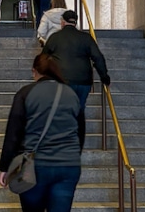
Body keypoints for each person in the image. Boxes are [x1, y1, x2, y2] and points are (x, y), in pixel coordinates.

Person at [0, 52, 81, 212]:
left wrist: (5, 167)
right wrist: (71, 157)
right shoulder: (72, 94)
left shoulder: (25, 94)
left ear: (36, 72)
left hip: (35, 167)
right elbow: (81, 131)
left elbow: (14, 132)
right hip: (68, 166)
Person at [42, 9, 110, 150]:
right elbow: (98, 57)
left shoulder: (55, 38)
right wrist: (104, 76)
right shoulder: (85, 38)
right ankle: (77, 144)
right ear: (75, 22)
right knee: (79, 110)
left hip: (62, 81)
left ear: (62, 22)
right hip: (83, 82)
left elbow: (43, 59)